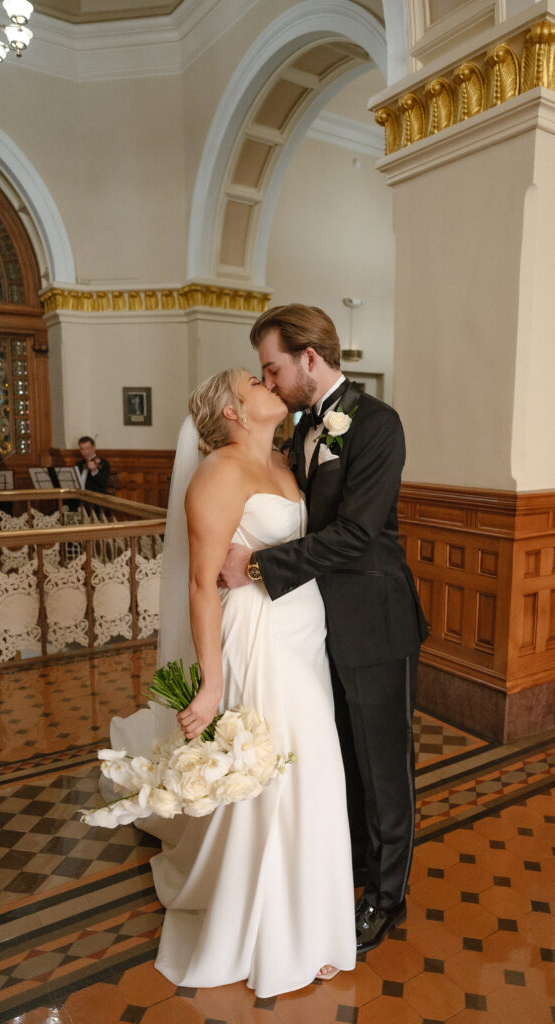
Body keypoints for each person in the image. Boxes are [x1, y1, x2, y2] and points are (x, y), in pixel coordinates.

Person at [109, 368, 355, 997]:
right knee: (281, 773)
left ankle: (316, 922)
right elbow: (201, 584)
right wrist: (212, 686)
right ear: (231, 411)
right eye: (254, 380)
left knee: (316, 769)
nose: (267, 381)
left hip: (306, 628)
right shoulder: (217, 474)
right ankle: (275, 930)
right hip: (262, 637)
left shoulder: (283, 460)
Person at [219, 305, 428, 955]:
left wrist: (256, 565)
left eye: (273, 367)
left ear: (310, 358)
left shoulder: (376, 424)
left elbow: (358, 533)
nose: (270, 381)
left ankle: (387, 898)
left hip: (373, 621)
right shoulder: (304, 426)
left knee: (384, 768)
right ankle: (356, 873)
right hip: (314, 627)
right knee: (344, 760)